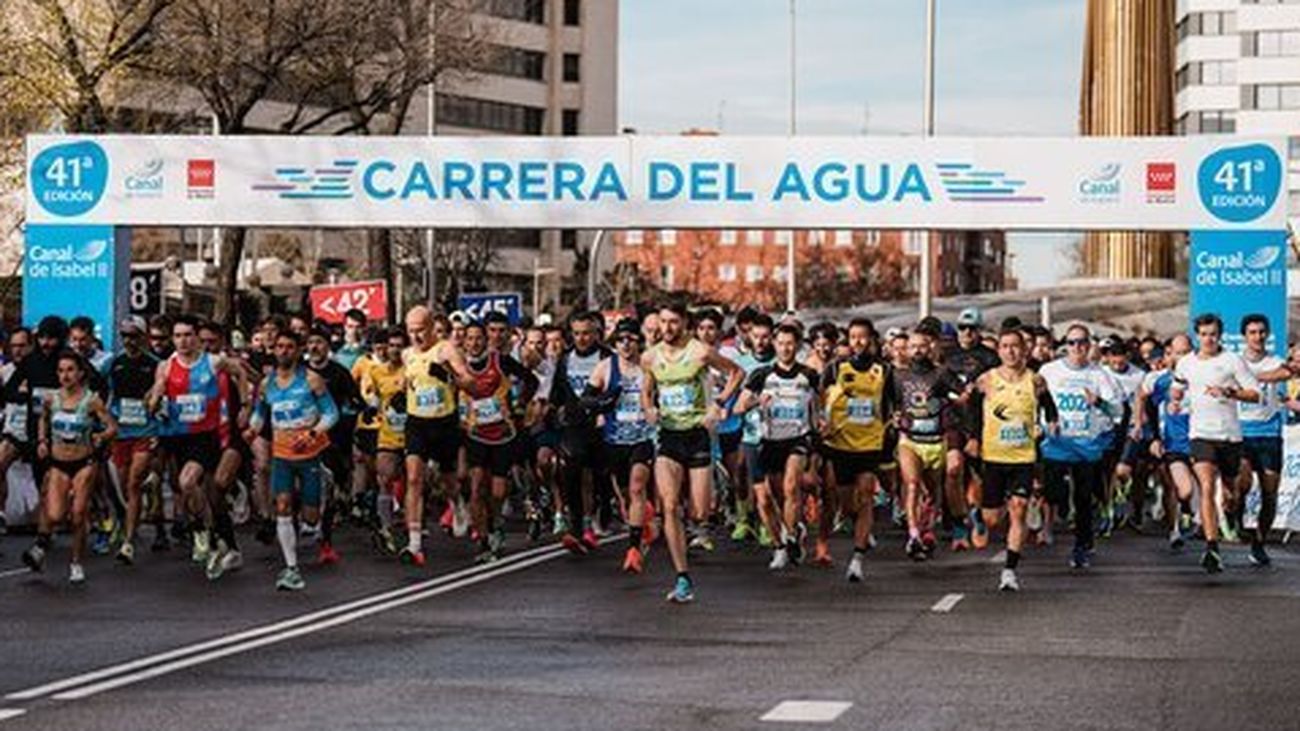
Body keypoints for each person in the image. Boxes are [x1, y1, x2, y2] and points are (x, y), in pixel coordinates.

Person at [642, 300, 742, 603]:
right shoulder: (650, 357)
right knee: (670, 505)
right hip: (669, 436)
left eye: (673, 322)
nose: (667, 328)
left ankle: (717, 492)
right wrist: (649, 409)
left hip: (698, 434)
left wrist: (719, 404)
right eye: (663, 322)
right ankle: (682, 576)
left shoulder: (699, 351)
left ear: (684, 323)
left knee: (699, 512)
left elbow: (737, 373)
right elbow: (647, 392)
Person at [149, 314, 247, 581]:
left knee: (191, 481)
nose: (183, 341)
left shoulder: (214, 362)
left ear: (197, 339)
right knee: (190, 488)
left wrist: (246, 405)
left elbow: (240, 372)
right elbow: (156, 393)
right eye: (178, 336)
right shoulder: (166, 367)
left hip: (207, 435)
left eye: (188, 335)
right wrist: (156, 399)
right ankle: (208, 531)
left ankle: (206, 533)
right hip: (178, 436)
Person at [966, 328, 1058, 591]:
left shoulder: (1035, 380)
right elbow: (973, 409)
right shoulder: (987, 380)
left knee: (1019, 507)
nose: (1010, 351)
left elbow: (1049, 405)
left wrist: (1051, 422)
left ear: (1024, 350)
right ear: (999, 351)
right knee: (993, 519)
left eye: (1015, 346)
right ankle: (980, 516)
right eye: (1005, 346)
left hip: (1023, 456)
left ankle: (1009, 571)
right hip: (994, 456)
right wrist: (973, 437)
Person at [247, 331, 339, 591]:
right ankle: (291, 568)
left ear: (298, 351)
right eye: (279, 347)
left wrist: (311, 434)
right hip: (282, 455)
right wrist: (252, 430)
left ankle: (322, 484)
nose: (283, 351)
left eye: (289, 347)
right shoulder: (267, 384)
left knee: (310, 520)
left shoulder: (312, 380)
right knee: (283, 505)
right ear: (273, 350)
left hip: (309, 454)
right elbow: (260, 414)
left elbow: (331, 413)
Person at [1172, 313, 1261, 574]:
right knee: (1207, 487)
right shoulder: (1186, 363)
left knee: (1230, 492)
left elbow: (1254, 394)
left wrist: (1229, 392)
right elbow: (1177, 386)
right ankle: (1212, 548)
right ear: (1197, 336)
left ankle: (1231, 513)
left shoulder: (1232, 361)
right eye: (1203, 334)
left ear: (1219, 335)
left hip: (1229, 436)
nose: (1208, 339)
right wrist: (1176, 399)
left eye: (1213, 334)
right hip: (1200, 435)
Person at [22, 351, 118, 583]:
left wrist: (102, 436)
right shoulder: (51, 399)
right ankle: (43, 543)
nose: (65, 375)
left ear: (81, 373)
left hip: (84, 463)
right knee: (55, 513)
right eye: (61, 370)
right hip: (59, 463)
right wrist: (43, 441)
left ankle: (76, 562)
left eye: (70, 370)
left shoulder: (91, 400)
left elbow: (113, 427)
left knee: (77, 515)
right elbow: (43, 418)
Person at [735, 323, 822, 571]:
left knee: (791, 485)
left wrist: (821, 425)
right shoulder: (761, 375)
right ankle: (780, 546)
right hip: (768, 441)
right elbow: (738, 408)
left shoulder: (809, 375)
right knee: (766, 500)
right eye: (781, 343)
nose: (785, 348)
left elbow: (819, 408)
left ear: (798, 346)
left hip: (798, 439)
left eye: (790, 343)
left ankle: (791, 534)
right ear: (775, 344)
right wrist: (755, 401)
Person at [1039, 324, 1122, 569]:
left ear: (1090, 345)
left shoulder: (1100, 375)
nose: (1077, 347)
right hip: (1056, 442)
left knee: (1084, 499)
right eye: (1072, 342)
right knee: (1054, 492)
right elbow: (1035, 401)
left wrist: (1099, 402)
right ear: (1065, 345)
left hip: (1087, 444)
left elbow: (1118, 410)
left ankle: (1082, 545)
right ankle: (1053, 519)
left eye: (1083, 342)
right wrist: (1044, 422)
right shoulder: (1049, 371)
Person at [821, 318, 895, 583]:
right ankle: (858, 526)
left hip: (869, 444)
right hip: (840, 444)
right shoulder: (835, 368)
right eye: (853, 337)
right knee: (847, 502)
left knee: (865, 495)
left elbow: (893, 403)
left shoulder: (884, 370)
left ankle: (857, 558)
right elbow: (819, 399)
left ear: (872, 339)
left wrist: (897, 419)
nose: (858, 342)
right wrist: (821, 422)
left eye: (862, 337)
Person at [400, 306, 475, 567]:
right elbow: (408, 383)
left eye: (420, 330)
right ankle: (414, 543)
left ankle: (457, 502)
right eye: (411, 331)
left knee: (448, 481)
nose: (416, 336)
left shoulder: (446, 350)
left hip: (443, 422)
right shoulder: (407, 354)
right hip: (416, 422)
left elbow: (469, 381)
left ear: (432, 327)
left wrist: (448, 375)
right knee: (413, 479)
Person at [582, 318, 657, 573]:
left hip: (644, 436)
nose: (626, 344)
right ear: (615, 343)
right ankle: (644, 520)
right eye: (621, 340)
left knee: (637, 486)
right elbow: (586, 400)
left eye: (631, 339)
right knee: (626, 496)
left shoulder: (650, 365)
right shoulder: (605, 367)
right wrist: (605, 400)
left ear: (639, 342)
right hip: (614, 439)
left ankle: (633, 549)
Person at [460, 320, 537, 563]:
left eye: (478, 338)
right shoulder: (457, 364)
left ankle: (495, 524)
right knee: (476, 487)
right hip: (474, 434)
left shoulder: (500, 361)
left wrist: (520, 404)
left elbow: (531, 380)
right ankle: (483, 540)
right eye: (469, 338)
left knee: (497, 491)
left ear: (486, 340)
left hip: (503, 434)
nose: (474, 343)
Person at [891, 329, 963, 561]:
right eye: (912, 346)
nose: (917, 350)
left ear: (930, 347)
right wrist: (892, 417)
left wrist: (953, 403)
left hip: (935, 440)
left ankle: (928, 530)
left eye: (921, 346)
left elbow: (962, 395)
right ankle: (913, 535)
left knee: (932, 493)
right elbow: (887, 401)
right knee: (912, 485)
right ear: (906, 350)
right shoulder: (898, 376)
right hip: (909, 440)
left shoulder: (941, 374)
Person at [551, 311, 612, 554]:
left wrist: (604, 411)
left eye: (586, 333)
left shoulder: (608, 357)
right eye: (576, 334)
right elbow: (558, 390)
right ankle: (577, 527)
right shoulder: (565, 359)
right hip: (574, 425)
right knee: (572, 472)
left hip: (601, 424)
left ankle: (599, 512)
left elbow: (618, 388)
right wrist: (556, 409)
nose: (582, 338)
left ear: (596, 333)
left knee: (599, 476)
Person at [1234, 314, 1291, 566]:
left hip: (1269, 435)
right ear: (1244, 336)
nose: (1257, 337)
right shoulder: (1234, 363)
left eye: (1261, 332)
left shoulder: (1276, 361)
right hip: (1241, 433)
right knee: (1242, 482)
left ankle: (1259, 542)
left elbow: (1290, 370)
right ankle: (1236, 519)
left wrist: (1266, 377)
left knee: (1270, 495)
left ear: (1267, 334)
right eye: (1252, 332)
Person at [306, 326, 364, 564]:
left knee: (329, 484)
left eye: (318, 342)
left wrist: (365, 409)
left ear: (328, 346)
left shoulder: (338, 371)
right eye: (310, 343)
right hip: (302, 436)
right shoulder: (300, 372)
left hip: (334, 436)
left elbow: (355, 397)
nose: (314, 347)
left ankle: (326, 540)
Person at [106, 316, 162, 565]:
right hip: (122, 433)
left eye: (134, 335)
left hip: (145, 430)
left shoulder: (155, 364)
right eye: (124, 336)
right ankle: (129, 518)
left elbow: (165, 397)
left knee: (133, 483)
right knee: (124, 484)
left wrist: (159, 430)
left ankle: (128, 542)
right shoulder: (113, 363)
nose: (129, 341)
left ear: (143, 337)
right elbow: (101, 393)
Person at [945, 307, 1001, 550]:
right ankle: (958, 523)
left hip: (981, 423)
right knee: (953, 469)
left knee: (977, 478)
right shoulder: (947, 356)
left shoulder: (990, 358)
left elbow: (997, 395)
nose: (967, 333)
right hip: (952, 423)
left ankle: (976, 513)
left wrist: (978, 435)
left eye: (972, 328)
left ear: (979, 330)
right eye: (962, 328)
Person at [358, 328, 408, 555]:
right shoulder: (376, 372)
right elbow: (372, 395)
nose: (395, 349)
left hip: (414, 434)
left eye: (399, 345)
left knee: (414, 481)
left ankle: (413, 525)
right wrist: (370, 407)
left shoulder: (413, 368)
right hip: (388, 433)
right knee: (385, 477)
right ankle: (386, 527)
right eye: (391, 345)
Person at [1145, 334, 1197, 550]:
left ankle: (1198, 521)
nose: (1182, 356)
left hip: (1199, 438)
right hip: (1173, 442)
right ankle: (1174, 528)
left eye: (1186, 352)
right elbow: (1149, 406)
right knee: (1181, 489)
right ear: (1170, 355)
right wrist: (1155, 437)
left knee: (1205, 488)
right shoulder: (1163, 381)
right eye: (1177, 352)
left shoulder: (1201, 376)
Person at [0, 327, 34, 539]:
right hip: (13, 430)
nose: (17, 351)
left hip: (37, 432)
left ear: (31, 345)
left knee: (46, 480)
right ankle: (1, 514)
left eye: (22, 346)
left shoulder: (42, 369)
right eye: (14, 346)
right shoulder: (5, 372)